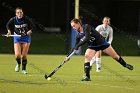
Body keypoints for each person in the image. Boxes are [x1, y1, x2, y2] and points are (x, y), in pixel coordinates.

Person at [66, 18, 133, 81]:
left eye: (74, 25)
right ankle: (87, 76)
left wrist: (78, 45)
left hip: (102, 43)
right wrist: (68, 56)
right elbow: (74, 47)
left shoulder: (86, 26)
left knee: (115, 57)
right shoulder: (78, 35)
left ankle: (125, 65)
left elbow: (87, 37)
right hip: (92, 46)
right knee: (87, 56)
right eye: (72, 26)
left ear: (78, 23)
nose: (73, 28)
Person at [6, 7, 33, 74]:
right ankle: (18, 64)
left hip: (26, 38)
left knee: (24, 55)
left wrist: (27, 33)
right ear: (16, 14)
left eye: (20, 12)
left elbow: (33, 27)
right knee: (17, 55)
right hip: (17, 37)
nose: (19, 13)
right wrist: (9, 31)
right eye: (18, 12)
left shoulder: (26, 19)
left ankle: (24, 69)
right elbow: (8, 25)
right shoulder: (13, 19)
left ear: (22, 13)